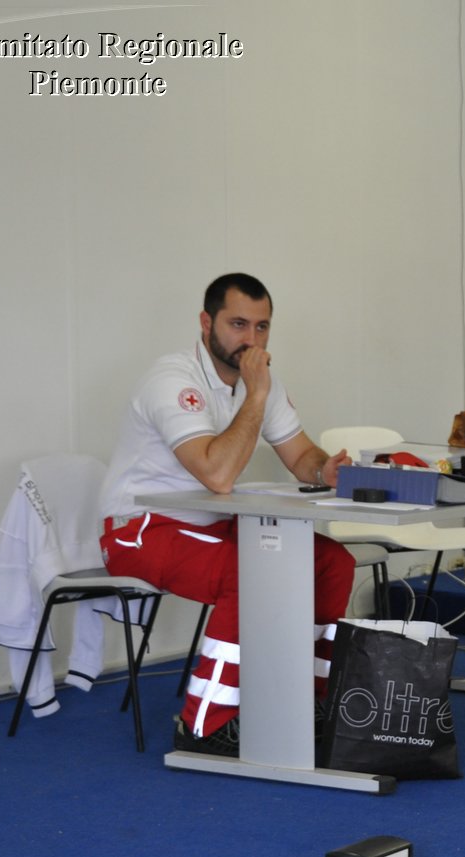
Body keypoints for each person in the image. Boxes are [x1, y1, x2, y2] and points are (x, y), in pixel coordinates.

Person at [98, 273, 356, 756]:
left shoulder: (260, 381)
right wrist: (255, 395)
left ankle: (311, 702)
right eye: (239, 324)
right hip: (139, 529)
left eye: (262, 328)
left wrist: (327, 470)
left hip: (210, 525)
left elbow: (301, 457)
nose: (251, 340)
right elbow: (216, 474)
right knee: (254, 573)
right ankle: (203, 726)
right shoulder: (172, 380)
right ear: (205, 322)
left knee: (331, 562)